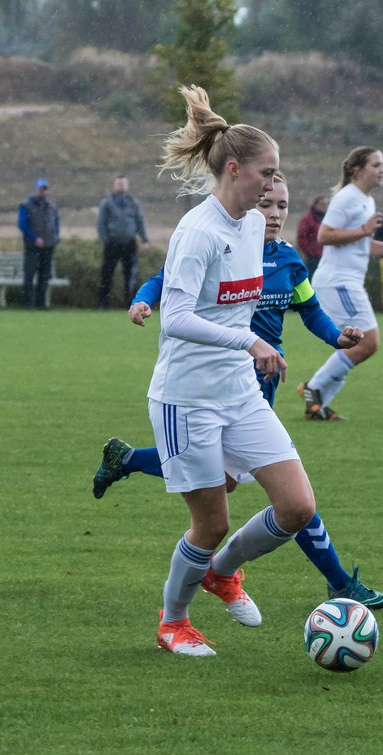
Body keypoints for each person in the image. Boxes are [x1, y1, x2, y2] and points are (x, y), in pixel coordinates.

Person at [92, 173, 383, 610]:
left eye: (283, 206)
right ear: (249, 199)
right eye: (267, 204)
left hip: (260, 386)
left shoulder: (290, 261)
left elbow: (309, 310)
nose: (273, 214)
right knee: (258, 492)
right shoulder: (222, 243)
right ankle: (337, 580)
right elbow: (166, 279)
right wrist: (143, 299)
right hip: (222, 380)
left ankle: (130, 459)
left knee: (232, 483)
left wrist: (336, 338)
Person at [136, 84, 328, 657]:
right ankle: (174, 622)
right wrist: (248, 341)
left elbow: (251, 299)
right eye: (268, 172)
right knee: (211, 522)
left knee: (297, 507)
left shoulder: (251, 225)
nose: (274, 184)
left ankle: (222, 574)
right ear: (237, 169)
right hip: (186, 397)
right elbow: (176, 319)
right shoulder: (198, 232)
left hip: (239, 393)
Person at [299, 147, 383, 421]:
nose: (382, 169)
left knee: (357, 343)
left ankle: (317, 404)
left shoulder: (366, 200)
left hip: (347, 283)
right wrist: (363, 230)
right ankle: (313, 388)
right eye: (376, 164)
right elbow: (324, 236)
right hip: (339, 283)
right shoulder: (347, 198)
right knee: (367, 343)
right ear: (358, 170)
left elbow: (360, 244)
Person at [96, 174, 150, 309]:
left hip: (129, 244)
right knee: (106, 275)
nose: (121, 186)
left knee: (130, 276)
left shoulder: (133, 203)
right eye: (118, 183)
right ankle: (103, 304)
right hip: (112, 244)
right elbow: (100, 224)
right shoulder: (107, 203)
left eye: (123, 183)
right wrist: (106, 239)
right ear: (114, 185)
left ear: (127, 185)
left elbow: (139, 222)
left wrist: (144, 239)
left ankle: (130, 304)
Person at [17, 178, 60, 310]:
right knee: (29, 274)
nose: (42, 192)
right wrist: (34, 238)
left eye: (44, 189)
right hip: (32, 245)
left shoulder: (51, 207)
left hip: (48, 246)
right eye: (40, 189)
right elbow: (22, 224)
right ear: (35, 189)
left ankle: (40, 303)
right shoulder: (26, 205)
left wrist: (55, 237)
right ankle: (27, 303)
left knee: (44, 275)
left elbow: (56, 224)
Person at [295, 194, 328, 276]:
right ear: (315, 204)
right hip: (314, 257)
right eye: (322, 204)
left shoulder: (327, 218)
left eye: (326, 204)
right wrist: (310, 252)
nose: (324, 206)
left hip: (326, 256)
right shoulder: (307, 219)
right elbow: (301, 237)